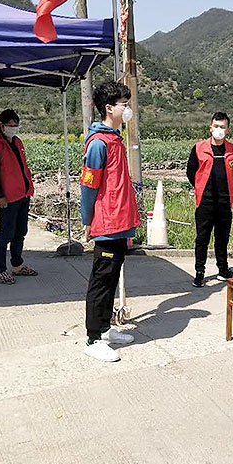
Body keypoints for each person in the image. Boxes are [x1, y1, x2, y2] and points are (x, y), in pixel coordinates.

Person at [79, 81, 140, 362]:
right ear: (108, 108)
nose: (127, 109)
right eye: (123, 104)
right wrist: (87, 220)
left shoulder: (115, 139)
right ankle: (92, 338)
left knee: (112, 277)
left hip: (119, 222)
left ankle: (105, 329)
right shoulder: (98, 144)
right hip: (106, 222)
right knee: (101, 281)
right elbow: (88, 185)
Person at [186, 111, 233, 288]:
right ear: (210, 128)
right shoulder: (198, 148)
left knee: (222, 238)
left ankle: (223, 269)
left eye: (223, 127)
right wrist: (201, 187)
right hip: (205, 201)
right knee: (202, 238)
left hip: (225, 201)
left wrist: (227, 185)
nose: (219, 129)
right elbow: (191, 172)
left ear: (228, 129)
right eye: (216, 126)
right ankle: (199, 272)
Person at [0, 109, 37, 284]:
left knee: (20, 232)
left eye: (15, 125)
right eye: (9, 125)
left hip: (23, 194)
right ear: (1, 125)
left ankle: (17, 265)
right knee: (6, 234)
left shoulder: (17, 142)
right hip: (7, 197)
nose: (13, 128)